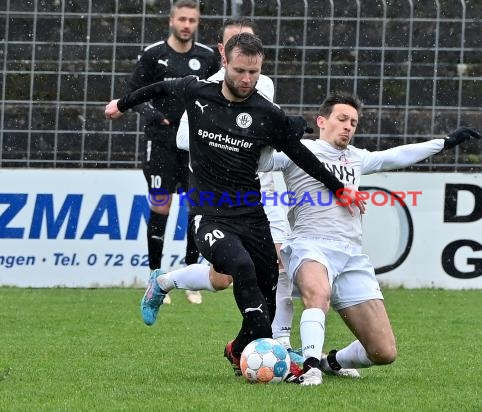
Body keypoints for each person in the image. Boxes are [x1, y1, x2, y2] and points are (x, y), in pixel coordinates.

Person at [104, 33, 363, 377]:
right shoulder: (198, 92)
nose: (246, 80)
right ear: (225, 61)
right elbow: (158, 88)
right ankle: (267, 347)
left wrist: (338, 187)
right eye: (240, 70)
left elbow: (300, 155)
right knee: (240, 268)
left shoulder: (266, 113)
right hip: (209, 213)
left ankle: (240, 350)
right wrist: (122, 105)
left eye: (254, 73)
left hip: (251, 214)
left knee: (269, 288)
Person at [257, 92, 481, 385]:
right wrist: (270, 133)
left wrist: (445, 143)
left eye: (353, 122)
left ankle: (329, 362)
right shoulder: (298, 151)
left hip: (351, 255)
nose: (348, 126)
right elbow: (261, 163)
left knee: (383, 351)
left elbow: (397, 155)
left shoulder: (357, 158)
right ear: (322, 121)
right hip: (309, 244)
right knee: (318, 295)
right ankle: (308, 368)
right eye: (342, 119)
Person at [174, 17, 296, 354]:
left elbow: (269, 132)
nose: (247, 69)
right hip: (224, 195)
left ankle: (278, 341)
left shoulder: (264, 84)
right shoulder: (204, 89)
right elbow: (184, 137)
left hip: (265, 187)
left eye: (251, 42)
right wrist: (226, 145)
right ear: (224, 53)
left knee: (278, 261)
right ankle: (168, 280)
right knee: (223, 277)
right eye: (237, 43)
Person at [127, 0, 219, 300]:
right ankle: (155, 277)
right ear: (171, 20)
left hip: (194, 145)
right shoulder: (154, 55)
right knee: (161, 206)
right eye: (182, 19)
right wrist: (155, 115)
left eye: (192, 20)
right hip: (161, 145)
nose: (186, 25)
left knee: (195, 209)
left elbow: (218, 94)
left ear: (198, 22)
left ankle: (190, 276)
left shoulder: (206, 57)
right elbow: (132, 95)